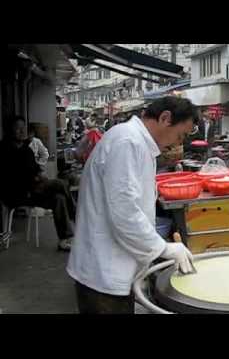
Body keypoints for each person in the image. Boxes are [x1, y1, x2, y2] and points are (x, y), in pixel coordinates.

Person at [67, 96, 196, 314]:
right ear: (165, 118)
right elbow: (124, 212)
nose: (177, 143)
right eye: (180, 135)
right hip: (104, 272)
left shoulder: (138, 143)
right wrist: (163, 248)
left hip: (114, 267)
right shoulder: (127, 142)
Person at [0, 116, 76, 251]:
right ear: (10, 130)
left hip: (33, 191)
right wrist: (34, 180)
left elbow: (35, 170)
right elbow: (10, 177)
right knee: (61, 184)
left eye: (24, 128)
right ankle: (77, 218)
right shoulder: (3, 149)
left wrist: (41, 177)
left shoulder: (26, 149)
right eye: (18, 128)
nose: (22, 131)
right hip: (16, 193)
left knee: (59, 198)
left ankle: (64, 239)